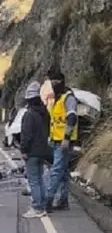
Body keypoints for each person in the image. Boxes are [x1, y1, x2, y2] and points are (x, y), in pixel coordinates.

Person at [45, 69, 78, 212]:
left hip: (64, 142)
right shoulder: (57, 98)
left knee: (56, 171)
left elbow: (72, 117)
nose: (52, 84)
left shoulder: (68, 98)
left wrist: (66, 138)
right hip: (56, 141)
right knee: (63, 172)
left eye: (55, 81)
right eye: (51, 81)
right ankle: (63, 201)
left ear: (61, 81)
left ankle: (47, 200)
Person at [19, 81, 51, 218]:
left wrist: (24, 150)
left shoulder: (29, 114)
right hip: (43, 150)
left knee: (34, 180)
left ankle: (37, 207)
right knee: (40, 179)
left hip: (32, 152)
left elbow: (26, 135)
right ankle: (42, 205)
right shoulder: (45, 113)